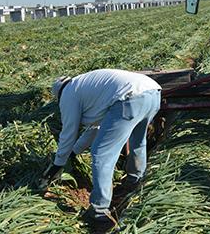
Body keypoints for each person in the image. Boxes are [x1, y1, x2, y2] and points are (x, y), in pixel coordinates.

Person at [39, 69, 162, 229]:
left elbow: (68, 133)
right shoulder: (85, 87)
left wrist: (58, 164)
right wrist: (73, 153)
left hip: (130, 98)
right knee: (137, 141)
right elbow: (94, 129)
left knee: (101, 153)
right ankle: (134, 180)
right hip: (153, 93)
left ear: (58, 94)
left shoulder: (68, 94)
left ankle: (99, 212)